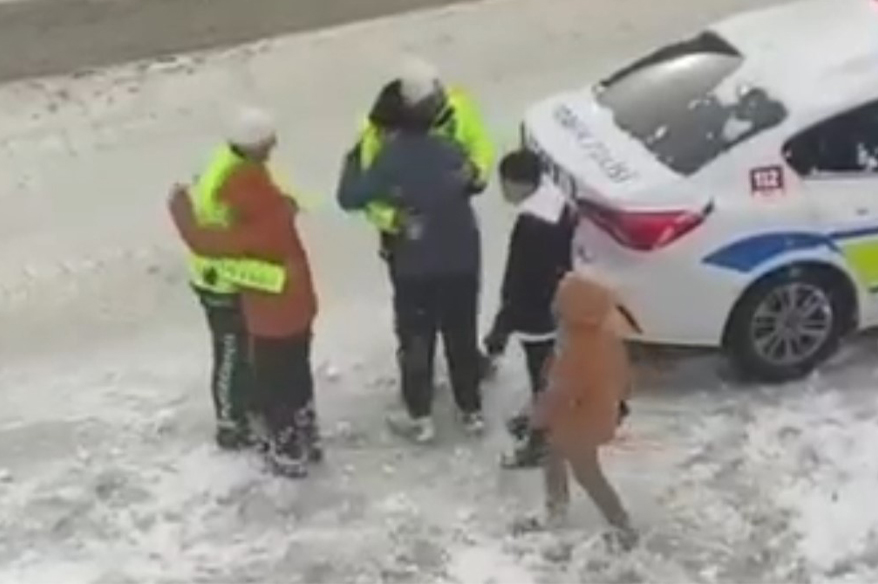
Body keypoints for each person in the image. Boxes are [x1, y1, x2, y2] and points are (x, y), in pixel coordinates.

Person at [168, 106, 321, 478]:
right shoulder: (245, 192)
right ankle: (235, 422)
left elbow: (209, 236)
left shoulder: (235, 169)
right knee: (236, 351)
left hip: (247, 282)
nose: (274, 148)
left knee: (255, 358)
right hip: (223, 280)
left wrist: (180, 209)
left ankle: (262, 419)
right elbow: (209, 244)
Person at [336, 103, 485, 444]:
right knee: (461, 333)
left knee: (417, 337)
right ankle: (470, 409)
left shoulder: (389, 160)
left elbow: (349, 197)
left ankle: (420, 414)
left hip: (416, 265)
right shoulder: (451, 149)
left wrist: (355, 153)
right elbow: (472, 180)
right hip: (461, 258)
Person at [346, 57, 496, 383]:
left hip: (450, 220)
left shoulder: (459, 108)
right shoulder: (380, 137)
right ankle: (416, 374)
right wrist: (396, 220)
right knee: (415, 318)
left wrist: (475, 174)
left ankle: (465, 364)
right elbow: (367, 197)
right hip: (407, 237)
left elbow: (481, 146)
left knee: (459, 311)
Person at [482, 150, 576, 469]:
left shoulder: (532, 225)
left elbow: (520, 279)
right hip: (554, 301)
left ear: (519, 184)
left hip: (536, 314)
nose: (503, 192)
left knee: (542, 378)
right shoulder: (556, 204)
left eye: (505, 185)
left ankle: (540, 442)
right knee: (547, 370)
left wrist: (502, 326)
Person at [531, 272, 637, 549]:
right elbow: (622, 374)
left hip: (579, 419)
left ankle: (620, 524)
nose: (555, 304)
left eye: (561, 300)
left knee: (586, 472)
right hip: (599, 410)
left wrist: (537, 419)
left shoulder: (578, 347)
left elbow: (560, 390)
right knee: (553, 458)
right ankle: (559, 510)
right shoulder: (605, 335)